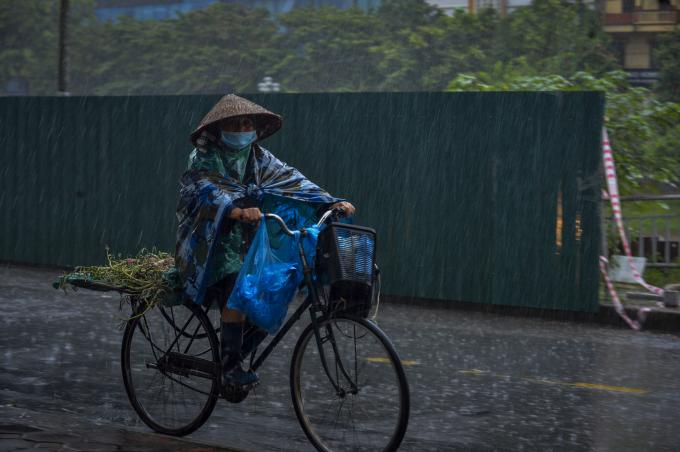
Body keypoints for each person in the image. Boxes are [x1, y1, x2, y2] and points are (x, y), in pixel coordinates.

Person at [175, 94, 354, 387]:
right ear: (220, 129)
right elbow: (203, 187)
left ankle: (235, 348)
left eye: (247, 123)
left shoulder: (260, 158)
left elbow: (294, 180)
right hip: (209, 241)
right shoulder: (205, 156)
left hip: (250, 239)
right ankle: (229, 367)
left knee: (275, 285)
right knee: (236, 283)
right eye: (236, 123)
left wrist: (329, 202)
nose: (243, 128)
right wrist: (234, 210)